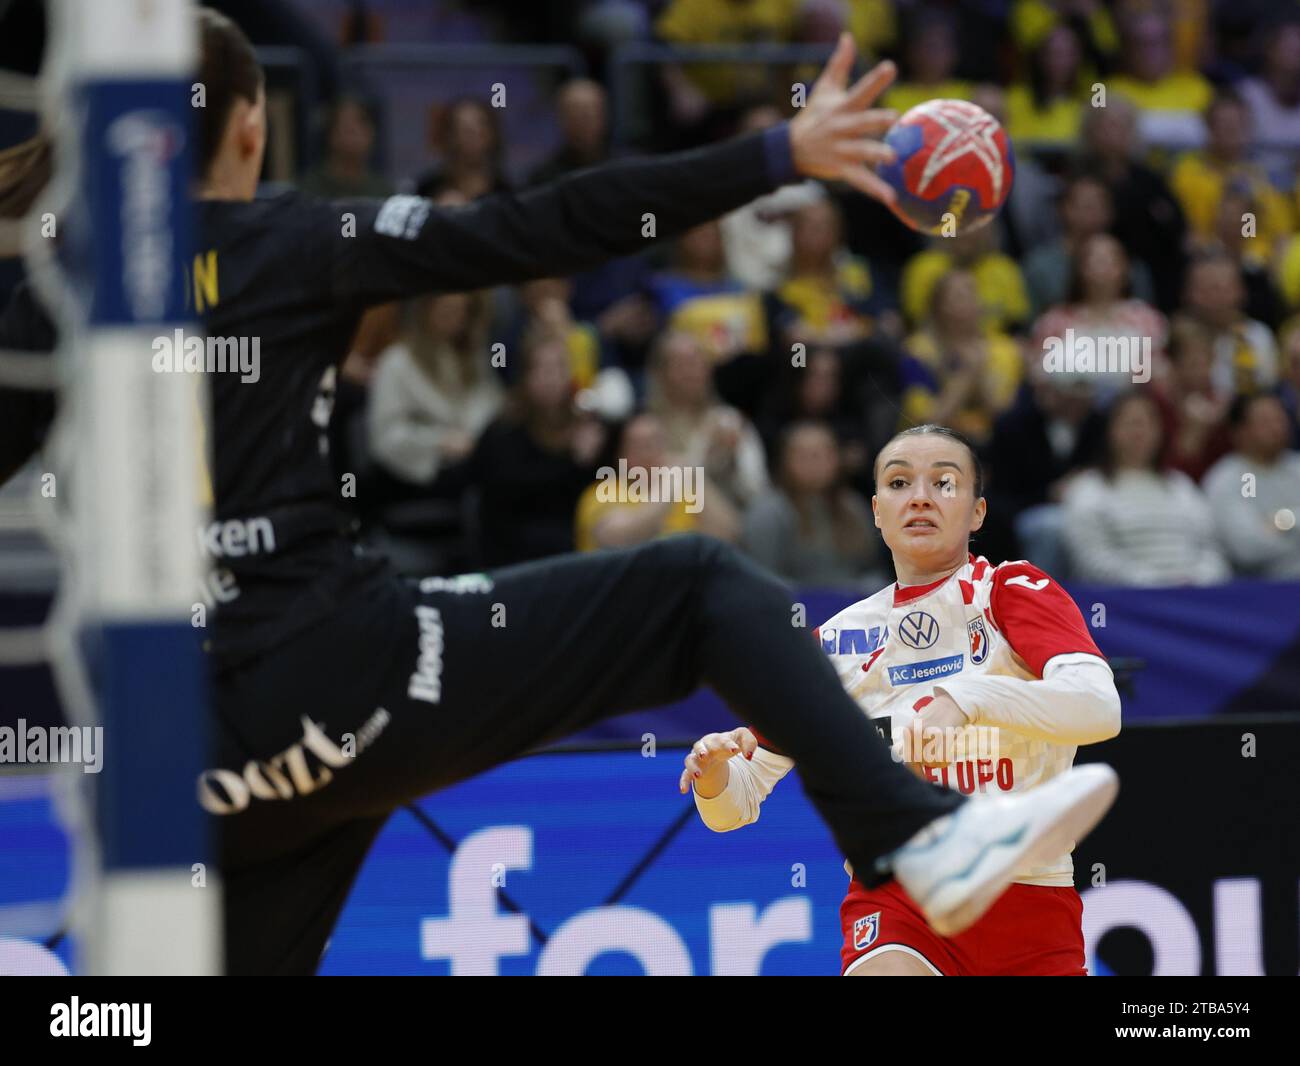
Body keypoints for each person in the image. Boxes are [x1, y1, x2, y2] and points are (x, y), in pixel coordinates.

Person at [0, 16, 1117, 974]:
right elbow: (554, 222)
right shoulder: (299, 237)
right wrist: (775, 150)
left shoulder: (57, 293)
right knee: (693, 586)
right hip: (337, 680)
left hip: (183, 745)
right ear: (251, 129)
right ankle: (917, 838)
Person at [685, 425, 1122, 975]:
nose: (920, 496)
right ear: (875, 510)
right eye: (899, 482)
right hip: (897, 897)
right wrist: (715, 775)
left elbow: (1099, 709)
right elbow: (734, 808)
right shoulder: (836, 641)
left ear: (978, 512)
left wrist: (968, 696)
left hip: (1030, 903)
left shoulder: (1009, 591)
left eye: (944, 482)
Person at [1061, 391, 1230, 585]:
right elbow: (1092, 559)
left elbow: (1211, 548)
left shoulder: (1181, 486)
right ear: (1109, 431)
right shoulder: (1088, 489)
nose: (1139, 432)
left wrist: (1199, 579)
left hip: (1192, 596)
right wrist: (1155, 583)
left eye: (1148, 423)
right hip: (1126, 603)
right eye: (1131, 423)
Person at [1202, 392, 1300, 579]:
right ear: (1240, 432)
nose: (1276, 427)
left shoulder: (1297, 467)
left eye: (1280, 418)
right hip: (1260, 591)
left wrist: (1283, 520)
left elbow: (1269, 532)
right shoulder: (1227, 479)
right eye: (1265, 421)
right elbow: (1248, 549)